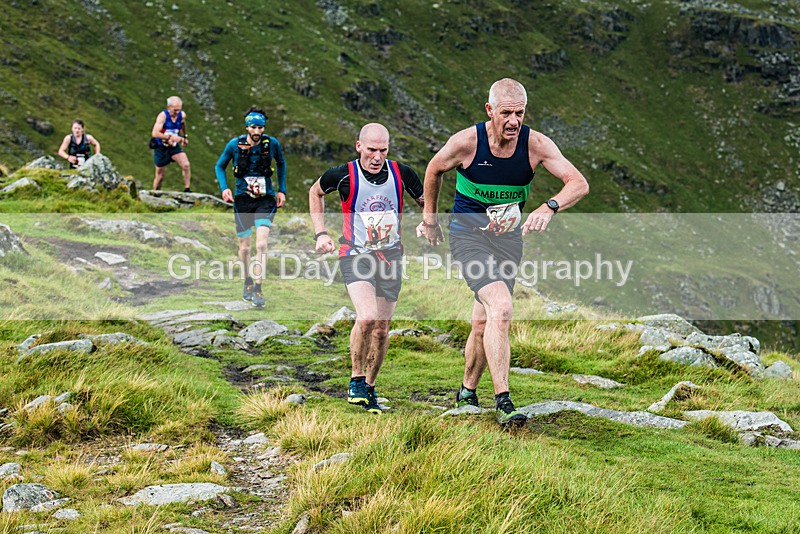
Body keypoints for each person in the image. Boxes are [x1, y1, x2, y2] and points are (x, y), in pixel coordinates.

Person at [420, 78, 589, 428]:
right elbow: (434, 169)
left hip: (508, 241)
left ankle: (467, 391)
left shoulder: (536, 145)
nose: (513, 121)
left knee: (484, 319)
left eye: (520, 114)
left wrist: (548, 207)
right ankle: (504, 402)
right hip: (468, 236)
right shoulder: (467, 142)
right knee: (502, 307)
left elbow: (578, 183)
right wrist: (430, 220)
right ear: (490, 111)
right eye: (506, 113)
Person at [309, 123, 424, 414]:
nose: (377, 156)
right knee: (368, 317)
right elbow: (316, 192)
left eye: (383, 150)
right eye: (371, 149)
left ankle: (370, 388)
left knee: (383, 329)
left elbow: (426, 199)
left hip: (391, 256)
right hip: (355, 254)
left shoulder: (402, 173)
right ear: (359, 146)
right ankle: (356, 380)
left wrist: (428, 220)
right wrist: (320, 233)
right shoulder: (344, 174)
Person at [215, 108, 286, 308]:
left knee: (261, 245)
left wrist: (282, 190)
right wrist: (224, 188)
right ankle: (247, 281)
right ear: (247, 127)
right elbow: (220, 165)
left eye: (260, 127)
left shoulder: (271, 144)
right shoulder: (234, 145)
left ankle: (258, 287)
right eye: (254, 127)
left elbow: (281, 163)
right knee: (245, 248)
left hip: (265, 199)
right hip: (242, 200)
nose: (257, 131)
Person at [151, 96, 191, 192]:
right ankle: (155, 193)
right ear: (168, 107)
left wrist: (185, 136)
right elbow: (155, 133)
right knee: (160, 175)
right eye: (175, 110)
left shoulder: (182, 115)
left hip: (173, 147)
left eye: (179, 110)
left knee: (186, 165)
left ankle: (187, 189)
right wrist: (170, 137)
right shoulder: (163, 116)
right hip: (161, 147)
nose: (177, 113)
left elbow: (182, 123)